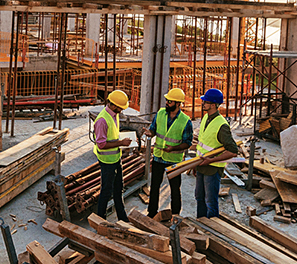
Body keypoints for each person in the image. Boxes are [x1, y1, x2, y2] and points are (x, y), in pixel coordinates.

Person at [142, 88, 192, 218]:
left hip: (174, 160)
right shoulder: (160, 114)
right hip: (159, 157)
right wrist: (150, 133)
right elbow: (153, 129)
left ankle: (176, 215)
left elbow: (188, 142)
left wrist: (173, 148)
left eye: (170, 101)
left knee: (175, 190)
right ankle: (152, 213)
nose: (167, 103)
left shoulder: (185, 121)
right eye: (167, 100)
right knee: (154, 188)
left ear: (178, 103)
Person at [191, 88, 238, 218]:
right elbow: (202, 144)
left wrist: (211, 160)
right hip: (201, 165)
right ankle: (201, 223)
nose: (203, 103)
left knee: (210, 202)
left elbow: (233, 151)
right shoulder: (206, 117)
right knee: (199, 197)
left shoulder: (222, 125)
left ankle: (212, 229)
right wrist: (196, 164)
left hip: (212, 169)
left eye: (205, 101)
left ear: (213, 105)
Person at [94, 90, 133, 220]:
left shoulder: (113, 114)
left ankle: (122, 218)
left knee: (118, 189)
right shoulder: (102, 120)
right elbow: (101, 144)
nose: (122, 110)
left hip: (116, 158)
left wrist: (123, 141)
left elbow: (112, 136)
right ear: (114, 105)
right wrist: (121, 142)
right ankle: (100, 219)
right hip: (107, 161)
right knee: (106, 191)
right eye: (121, 108)